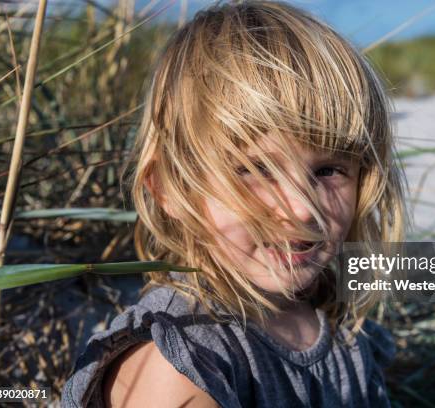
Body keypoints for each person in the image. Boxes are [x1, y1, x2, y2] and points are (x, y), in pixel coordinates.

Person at [61, 1, 406, 406]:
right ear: (170, 188)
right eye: (255, 169)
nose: (300, 209)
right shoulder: (186, 362)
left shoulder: (339, 319)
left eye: (329, 170)